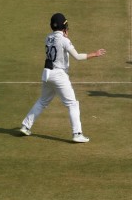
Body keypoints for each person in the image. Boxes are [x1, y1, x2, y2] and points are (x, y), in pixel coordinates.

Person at [20, 13, 106, 143]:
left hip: (47, 74)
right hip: (59, 75)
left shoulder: (47, 38)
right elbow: (77, 56)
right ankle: (77, 133)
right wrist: (95, 54)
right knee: (72, 104)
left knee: (42, 101)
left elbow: (56, 41)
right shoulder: (65, 40)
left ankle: (25, 126)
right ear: (64, 27)